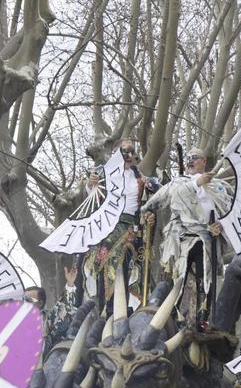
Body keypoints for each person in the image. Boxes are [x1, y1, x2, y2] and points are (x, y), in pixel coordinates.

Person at [140, 147, 232, 328]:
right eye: (188, 158)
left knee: (206, 278)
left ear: (204, 161)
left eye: (195, 158)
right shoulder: (178, 184)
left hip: (206, 238)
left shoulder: (219, 187)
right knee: (176, 278)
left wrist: (221, 224)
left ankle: (202, 318)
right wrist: (147, 215)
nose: (190, 160)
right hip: (180, 238)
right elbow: (155, 203)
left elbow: (230, 213)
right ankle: (172, 316)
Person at [84, 138, 149, 311]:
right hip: (107, 227)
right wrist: (91, 186)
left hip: (132, 229)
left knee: (128, 267)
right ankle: (106, 310)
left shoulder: (141, 178)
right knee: (104, 267)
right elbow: (92, 197)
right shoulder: (103, 173)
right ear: (115, 153)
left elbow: (149, 203)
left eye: (132, 152)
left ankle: (126, 309)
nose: (129, 155)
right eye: (124, 151)